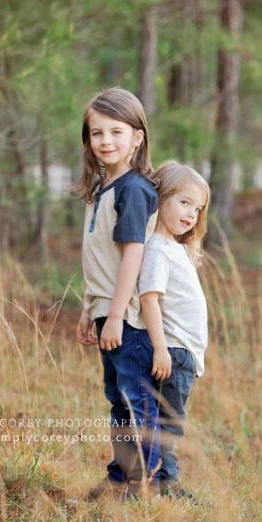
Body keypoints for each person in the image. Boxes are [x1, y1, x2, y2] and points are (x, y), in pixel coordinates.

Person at [73, 87, 161, 500]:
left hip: (128, 320)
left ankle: (142, 481)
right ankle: (119, 475)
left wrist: (114, 315)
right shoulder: (100, 190)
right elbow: (100, 262)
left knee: (135, 401)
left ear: (138, 137)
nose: (105, 141)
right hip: (106, 312)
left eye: (116, 131)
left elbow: (132, 257)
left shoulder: (134, 189)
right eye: (96, 133)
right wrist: (89, 309)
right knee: (118, 400)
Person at [138, 161, 210, 500]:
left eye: (197, 208)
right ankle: (166, 482)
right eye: (184, 203)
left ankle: (160, 477)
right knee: (170, 421)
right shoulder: (156, 249)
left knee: (171, 419)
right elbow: (149, 300)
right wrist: (161, 348)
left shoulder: (176, 247)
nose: (191, 213)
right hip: (174, 352)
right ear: (161, 198)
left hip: (185, 354)